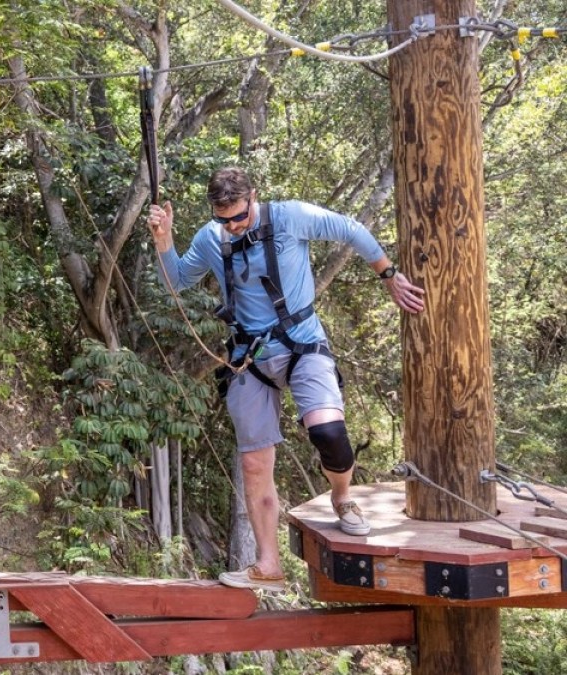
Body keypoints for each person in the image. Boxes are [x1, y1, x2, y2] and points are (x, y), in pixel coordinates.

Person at [147, 167, 424, 591]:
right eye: (224, 220)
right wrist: (164, 239)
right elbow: (178, 283)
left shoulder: (290, 217)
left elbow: (350, 229)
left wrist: (389, 276)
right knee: (254, 463)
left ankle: (342, 496)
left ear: (253, 198)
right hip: (248, 357)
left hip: (302, 344)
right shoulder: (211, 237)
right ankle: (268, 565)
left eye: (239, 217)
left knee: (329, 432)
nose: (233, 226)